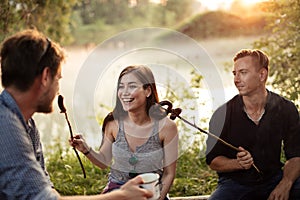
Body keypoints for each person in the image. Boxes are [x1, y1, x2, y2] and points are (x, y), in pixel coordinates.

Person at [0, 29, 153, 200]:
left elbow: (45, 188)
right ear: (45, 77)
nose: (58, 87)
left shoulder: (27, 126)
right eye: (58, 78)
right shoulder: (5, 124)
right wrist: (120, 197)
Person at [70, 65, 179, 200]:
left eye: (132, 86)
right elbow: (104, 161)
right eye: (121, 87)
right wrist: (85, 149)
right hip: (117, 192)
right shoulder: (112, 123)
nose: (124, 92)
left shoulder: (167, 127)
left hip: (151, 193)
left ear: (148, 91)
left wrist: (157, 198)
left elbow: (169, 174)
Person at [205, 49, 300, 200]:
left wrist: (285, 183)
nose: (236, 79)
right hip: (234, 185)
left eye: (243, 72)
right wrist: (238, 163)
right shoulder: (222, 114)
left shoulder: (286, 108)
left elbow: (296, 156)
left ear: (262, 75)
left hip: (274, 179)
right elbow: (213, 161)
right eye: (234, 73)